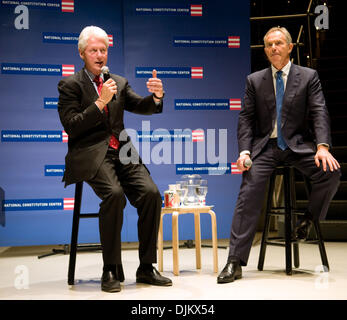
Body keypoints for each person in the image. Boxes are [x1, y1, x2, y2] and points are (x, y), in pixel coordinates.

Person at [217, 26, 341, 284]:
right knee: (248, 192)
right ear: (265, 50)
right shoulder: (255, 80)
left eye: (278, 43)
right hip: (267, 147)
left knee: (331, 171)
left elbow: (319, 112)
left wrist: (322, 146)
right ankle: (234, 261)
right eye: (269, 44)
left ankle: (308, 220)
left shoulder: (308, 77)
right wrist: (244, 150)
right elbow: (246, 119)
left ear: (289, 47)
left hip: (298, 146)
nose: (274, 48)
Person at [58, 26, 172, 292]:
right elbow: (72, 126)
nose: (99, 55)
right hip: (90, 152)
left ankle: (146, 267)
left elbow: (139, 105)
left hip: (122, 151)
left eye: (103, 50)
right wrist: (100, 103)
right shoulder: (70, 85)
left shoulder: (117, 82)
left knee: (151, 193)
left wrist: (156, 97)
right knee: (114, 195)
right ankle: (110, 268)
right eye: (93, 50)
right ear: (82, 53)